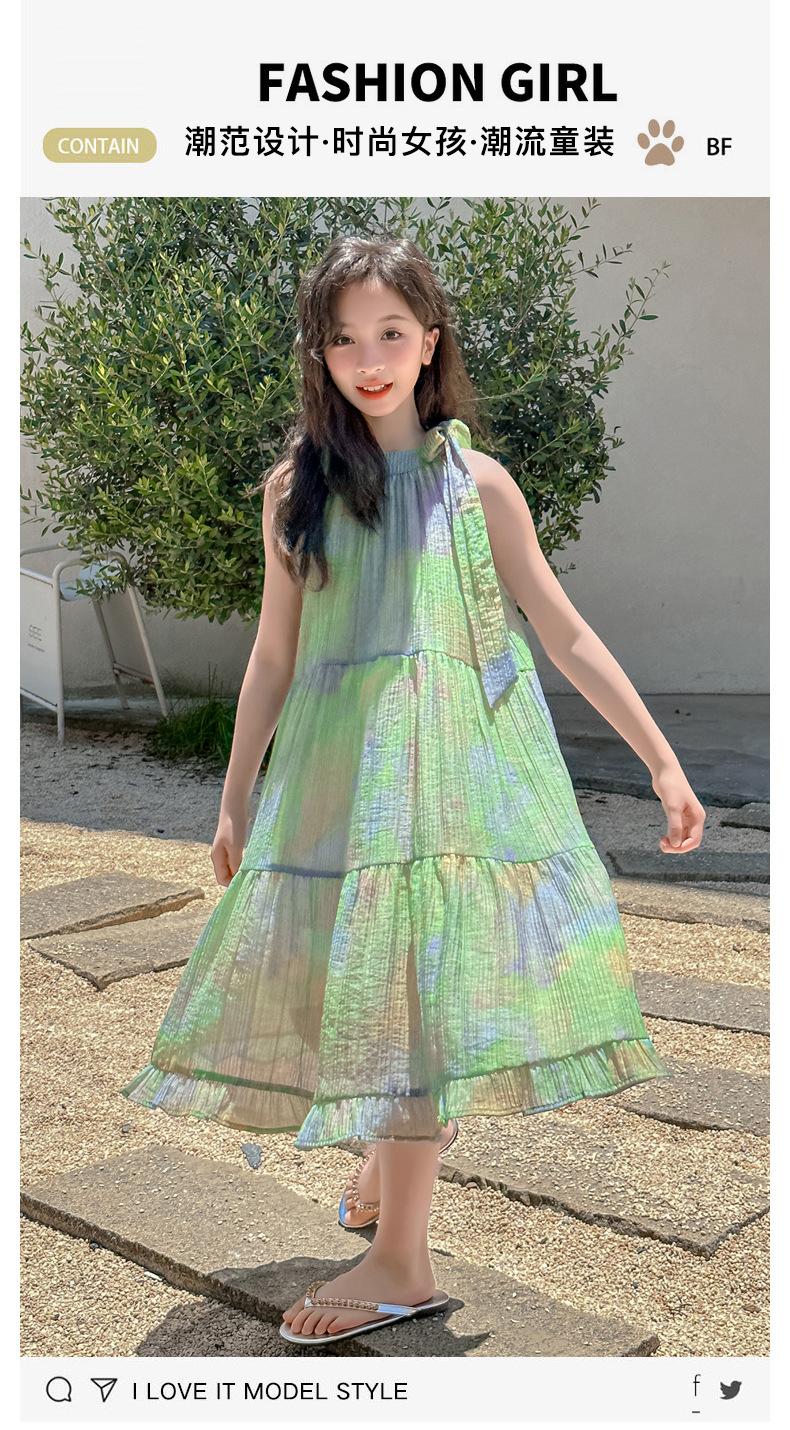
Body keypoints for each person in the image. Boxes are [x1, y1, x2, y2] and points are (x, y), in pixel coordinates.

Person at [121, 233, 706, 1347]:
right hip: (340, 782)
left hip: (448, 786)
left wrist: (661, 759)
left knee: (415, 993)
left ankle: (403, 1259)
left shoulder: (474, 485)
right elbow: (274, 656)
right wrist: (235, 794)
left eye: (391, 333)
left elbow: (562, 629)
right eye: (344, 339)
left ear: (429, 343)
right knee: (355, 983)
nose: (370, 359)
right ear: (320, 355)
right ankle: (397, 1168)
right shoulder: (294, 492)